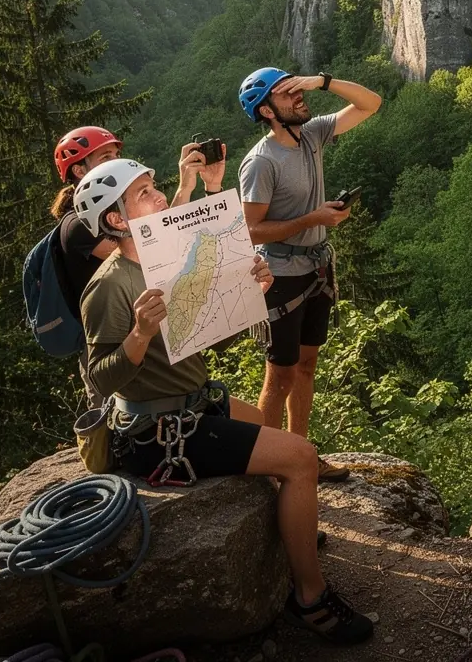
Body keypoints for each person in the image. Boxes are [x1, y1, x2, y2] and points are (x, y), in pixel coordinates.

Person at [75, 158, 373, 645]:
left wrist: (247, 289)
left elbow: (204, 335)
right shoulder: (108, 287)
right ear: (116, 220)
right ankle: (311, 597)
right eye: (145, 193)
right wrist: (139, 332)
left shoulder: (161, 264)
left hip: (191, 404)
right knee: (300, 459)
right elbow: (106, 378)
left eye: (153, 186)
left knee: (274, 436)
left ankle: (293, 537)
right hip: (157, 431)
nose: (159, 196)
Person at [238, 68, 382, 478]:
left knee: (306, 365)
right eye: (287, 94)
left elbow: (370, 103)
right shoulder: (261, 163)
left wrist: (320, 80)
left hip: (316, 267)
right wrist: (312, 218)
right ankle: (263, 470)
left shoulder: (312, 134)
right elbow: (249, 231)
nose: (297, 96)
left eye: (295, 88)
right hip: (281, 276)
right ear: (267, 111)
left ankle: (302, 457)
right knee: (280, 374)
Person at [51, 126, 227, 404]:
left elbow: (159, 238)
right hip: (115, 334)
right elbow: (156, 243)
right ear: (78, 170)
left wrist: (199, 186)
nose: (115, 161)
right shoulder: (80, 228)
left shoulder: (115, 213)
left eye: (115, 155)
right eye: (104, 157)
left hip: (153, 332)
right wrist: (188, 189)